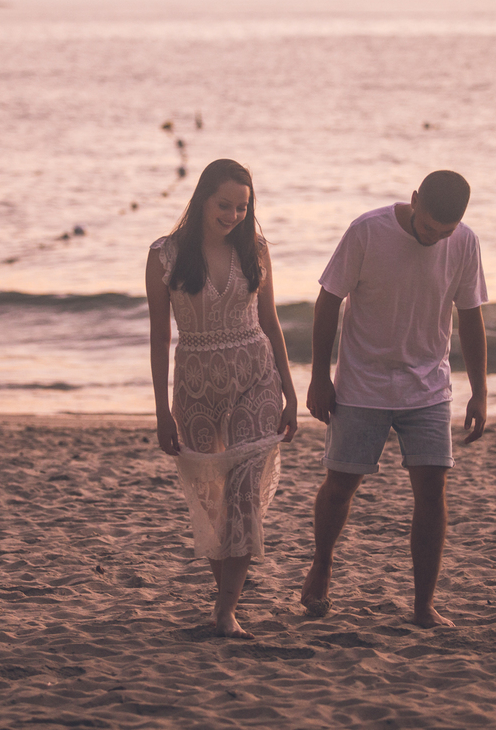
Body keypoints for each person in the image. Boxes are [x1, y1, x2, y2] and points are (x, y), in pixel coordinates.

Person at [300, 169, 488, 629]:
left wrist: (480, 392)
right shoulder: (368, 231)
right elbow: (328, 302)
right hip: (363, 384)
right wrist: (320, 377)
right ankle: (322, 565)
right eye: (429, 228)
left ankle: (423, 605)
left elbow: (471, 318)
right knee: (341, 487)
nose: (435, 238)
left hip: (428, 387)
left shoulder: (463, 243)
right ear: (414, 199)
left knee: (432, 492)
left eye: (445, 232)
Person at [146, 158, 298, 639]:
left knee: (244, 498)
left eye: (242, 207)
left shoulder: (255, 249)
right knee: (213, 503)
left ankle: (227, 609)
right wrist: (161, 412)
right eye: (224, 205)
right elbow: (157, 337)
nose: (233, 215)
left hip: (256, 377)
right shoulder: (165, 256)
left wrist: (291, 392)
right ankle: (223, 606)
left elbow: (271, 324)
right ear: (202, 200)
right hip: (195, 387)